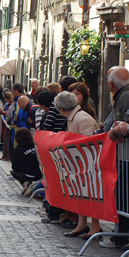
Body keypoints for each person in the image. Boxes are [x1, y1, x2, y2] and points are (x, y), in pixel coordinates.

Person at [100, 66, 129, 248]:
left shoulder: (127, 96)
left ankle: (122, 235)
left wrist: (122, 130)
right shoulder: (124, 94)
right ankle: (120, 234)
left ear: (110, 83)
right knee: (123, 195)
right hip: (127, 157)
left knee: (125, 195)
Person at [54, 91, 101, 238]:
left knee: (90, 195)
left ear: (61, 109)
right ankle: (82, 224)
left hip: (88, 164)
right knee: (82, 194)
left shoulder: (82, 119)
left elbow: (89, 143)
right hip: (80, 163)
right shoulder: (74, 118)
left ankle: (95, 226)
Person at [10, 128, 41, 193]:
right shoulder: (36, 145)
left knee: (13, 172)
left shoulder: (18, 149)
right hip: (39, 174)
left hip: (27, 175)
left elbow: (15, 167)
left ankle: (25, 183)